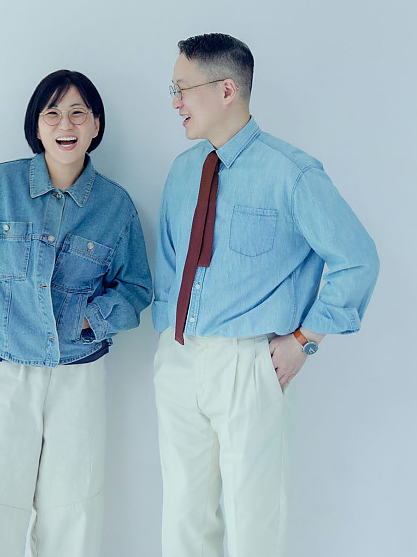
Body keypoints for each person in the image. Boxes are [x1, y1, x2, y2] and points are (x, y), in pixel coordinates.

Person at [153, 33, 379, 557]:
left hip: (250, 364)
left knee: (254, 520)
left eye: (184, 88)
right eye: (173, 89)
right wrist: (169, 341)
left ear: (226, 89)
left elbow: (358, 259)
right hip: (180, 361)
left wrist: (305, 339)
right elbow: (170, 263)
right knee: (183, 518)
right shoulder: (183, 171)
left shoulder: (291, 172)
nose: (176, 102)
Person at [0, 69, 152, 557]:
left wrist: (88, 320)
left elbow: (137, 288)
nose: (65, 124)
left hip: (78, 375)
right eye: (52, 113)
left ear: (96, 125)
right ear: (36, 125)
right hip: (2, 369)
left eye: (77, 112)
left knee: (73, 514)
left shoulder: (115, 207)